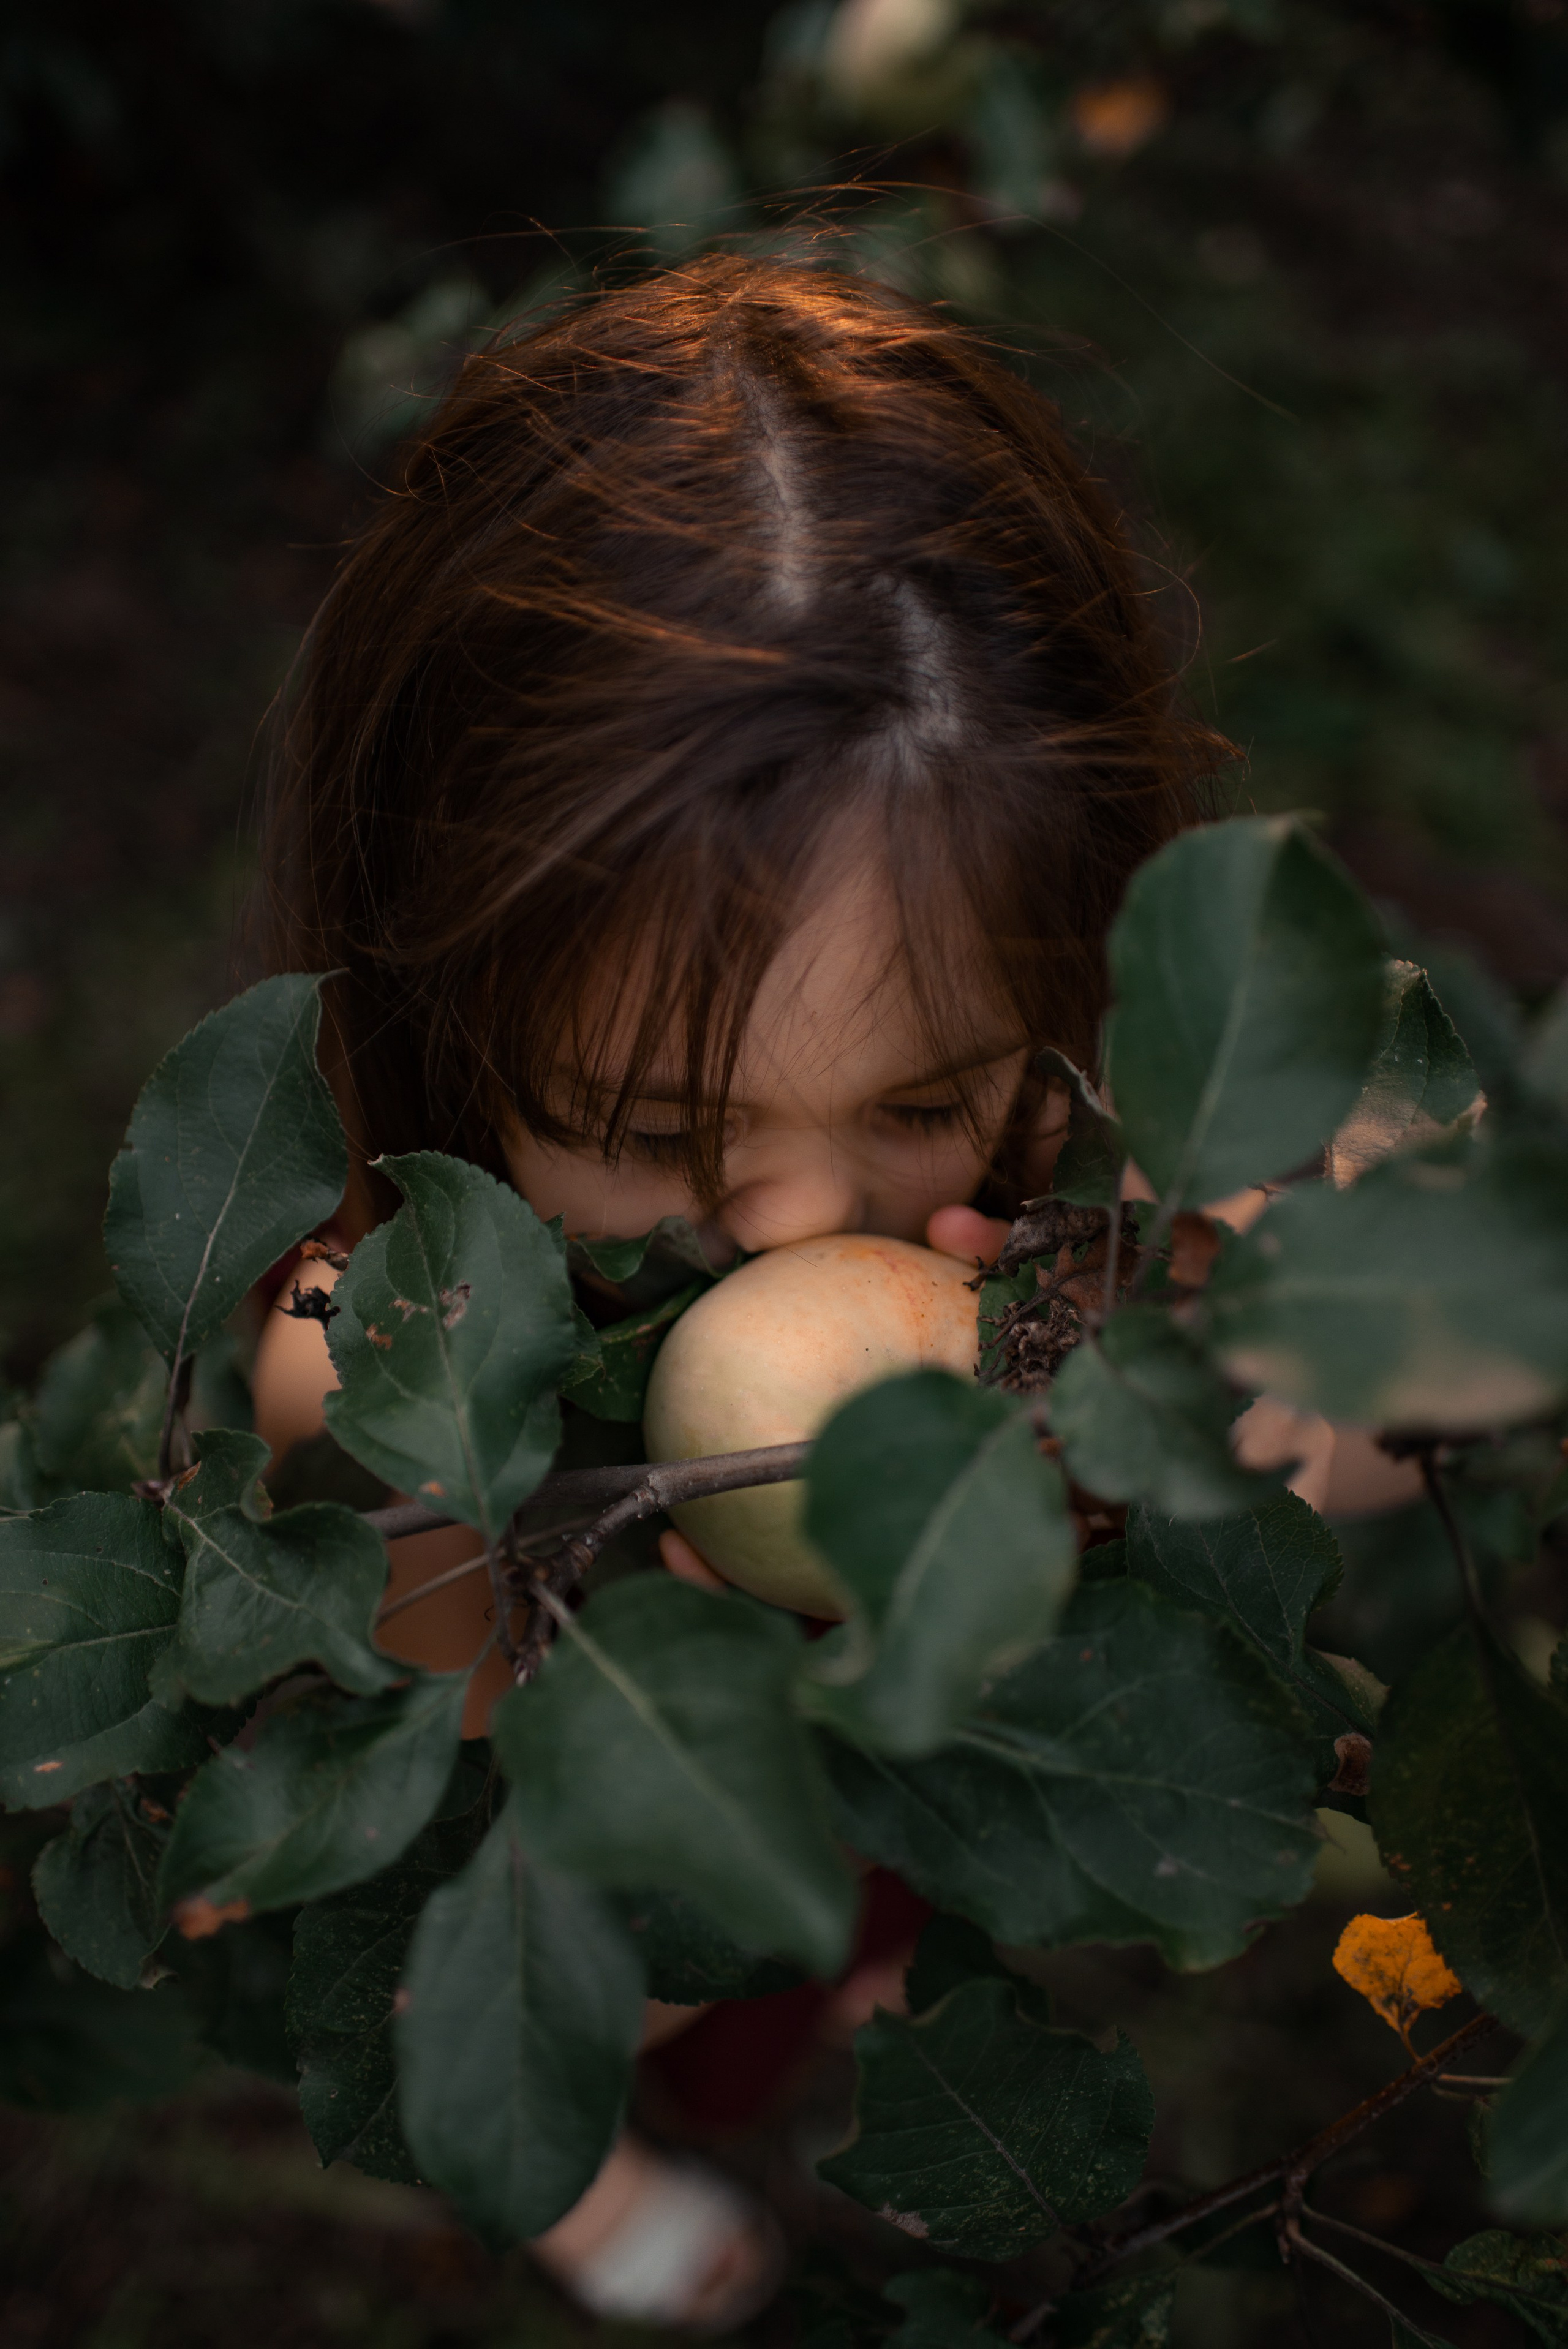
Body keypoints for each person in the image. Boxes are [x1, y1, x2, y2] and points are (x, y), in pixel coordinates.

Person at [247, 254, 1400, 2330]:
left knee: (850, 1918)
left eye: (923, 1101)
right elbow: (459, 1730)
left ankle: (842, 1940)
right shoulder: (384, 1358)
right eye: (658, 1124)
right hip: (585, 1835)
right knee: (594, 1987)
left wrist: (1232, 1365)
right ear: (443, 1012)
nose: (797, 1234)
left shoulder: (1068, 1216)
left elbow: (1331, 1460)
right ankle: (578, 2162)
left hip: (870, 1782)